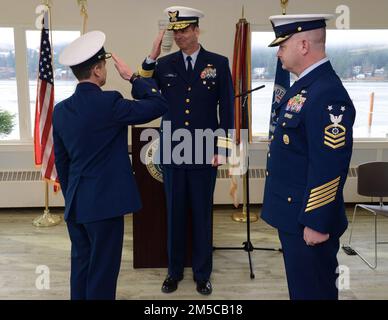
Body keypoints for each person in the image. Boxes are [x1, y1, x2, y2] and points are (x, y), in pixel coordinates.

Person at [53, 30, 168, 300]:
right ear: (96, 69)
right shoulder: (110, 102)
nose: (105, 70)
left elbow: (62, 162)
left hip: (76, 204)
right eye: (103, 66)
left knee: (81, 268)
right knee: (103, 275)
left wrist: (72, 197)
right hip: (105, 206)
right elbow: (158, 104)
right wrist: (133, 77)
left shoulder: (60, 110)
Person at [138, 6, 234, 295]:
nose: (179, 36)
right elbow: (140, 92)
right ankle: (174, 271)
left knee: (202, 216)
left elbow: (227, 109)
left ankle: (203, 274)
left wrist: (224, 149)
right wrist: (151, 56)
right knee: (174, 215)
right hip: (174, 152)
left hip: (205, 152)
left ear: (196, 30)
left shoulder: (218, 63)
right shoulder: (164, 65)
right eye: (175, 31)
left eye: (183, 30)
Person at [261, 14, 356, 300]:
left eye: (282, 45)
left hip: (308, 221)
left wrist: (316, 221)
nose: (278, 52)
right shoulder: (305, 86)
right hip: (294, 216)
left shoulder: (327, 94)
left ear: (303, 45)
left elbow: (330, 165)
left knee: (313, 292)